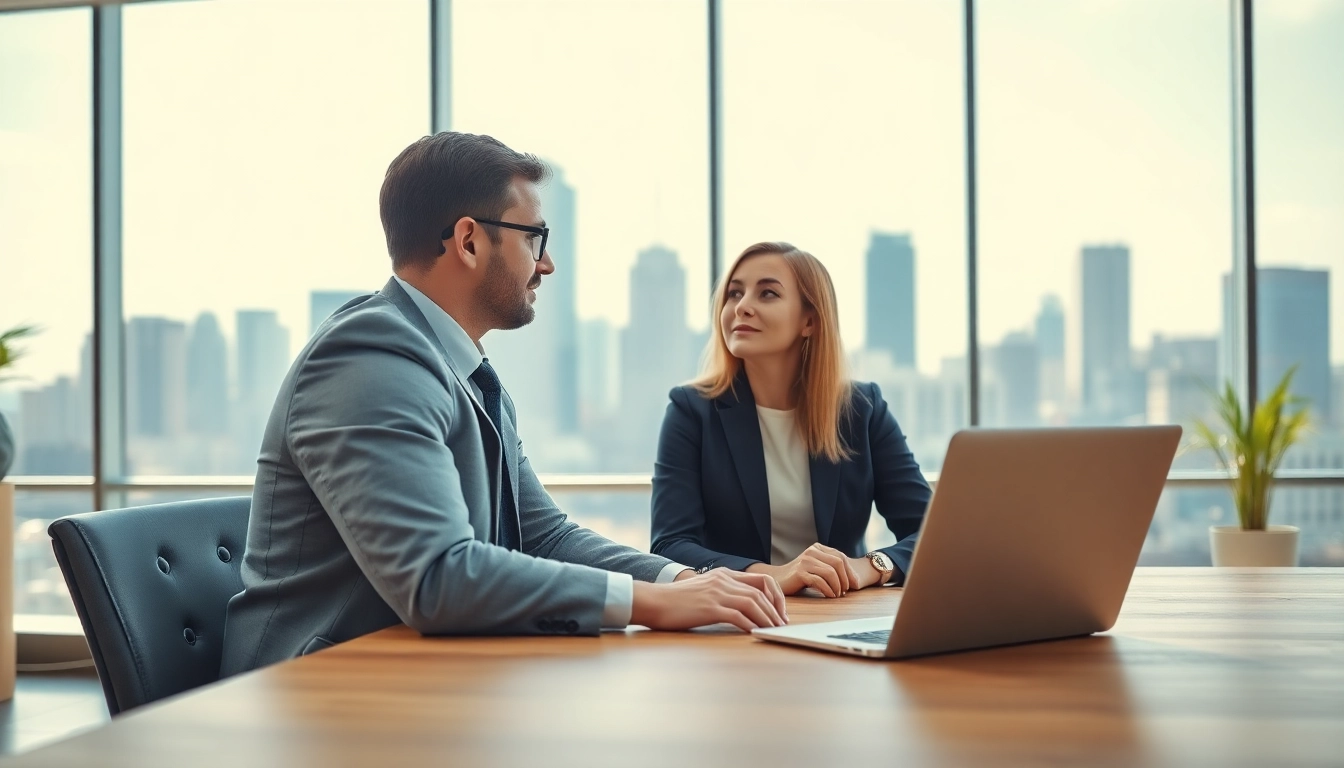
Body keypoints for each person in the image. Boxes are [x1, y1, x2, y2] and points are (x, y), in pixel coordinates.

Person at [220, 133, 786, 676]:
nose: (547, 263)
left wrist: (682, 581)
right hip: (315, 696)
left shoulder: (463, 371)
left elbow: (547, 537)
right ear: (469, 241)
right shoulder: (368, 356)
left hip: (425, 679)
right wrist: (651, 604)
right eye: (534, 238)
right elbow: (437, 577)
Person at [650, 242, 931, 597]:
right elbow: (670, 545)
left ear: (809, 321)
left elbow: (932, 531)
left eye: (767, 293)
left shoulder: (862, 409)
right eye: (734, 293)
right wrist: (775, 575)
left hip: (841, 611)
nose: (742, 306)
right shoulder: (691, 411)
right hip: (738, 612)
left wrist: (870, 566)